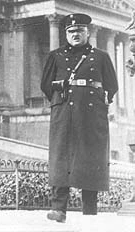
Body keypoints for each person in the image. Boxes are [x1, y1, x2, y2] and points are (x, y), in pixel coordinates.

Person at [41, 13, 118, 223]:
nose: (76, 34)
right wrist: (61, 98)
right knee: (61, 156)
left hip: (92, 113)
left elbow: (112, 85)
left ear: (88, 33)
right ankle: (58, 208)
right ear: (66, 33)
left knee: (90, 157)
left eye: (80, 31)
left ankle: (90, 209)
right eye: (71, 31)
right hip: (64, 111)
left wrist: (99, 103)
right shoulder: (55, 56)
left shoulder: (101, 57)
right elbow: (46, 84)